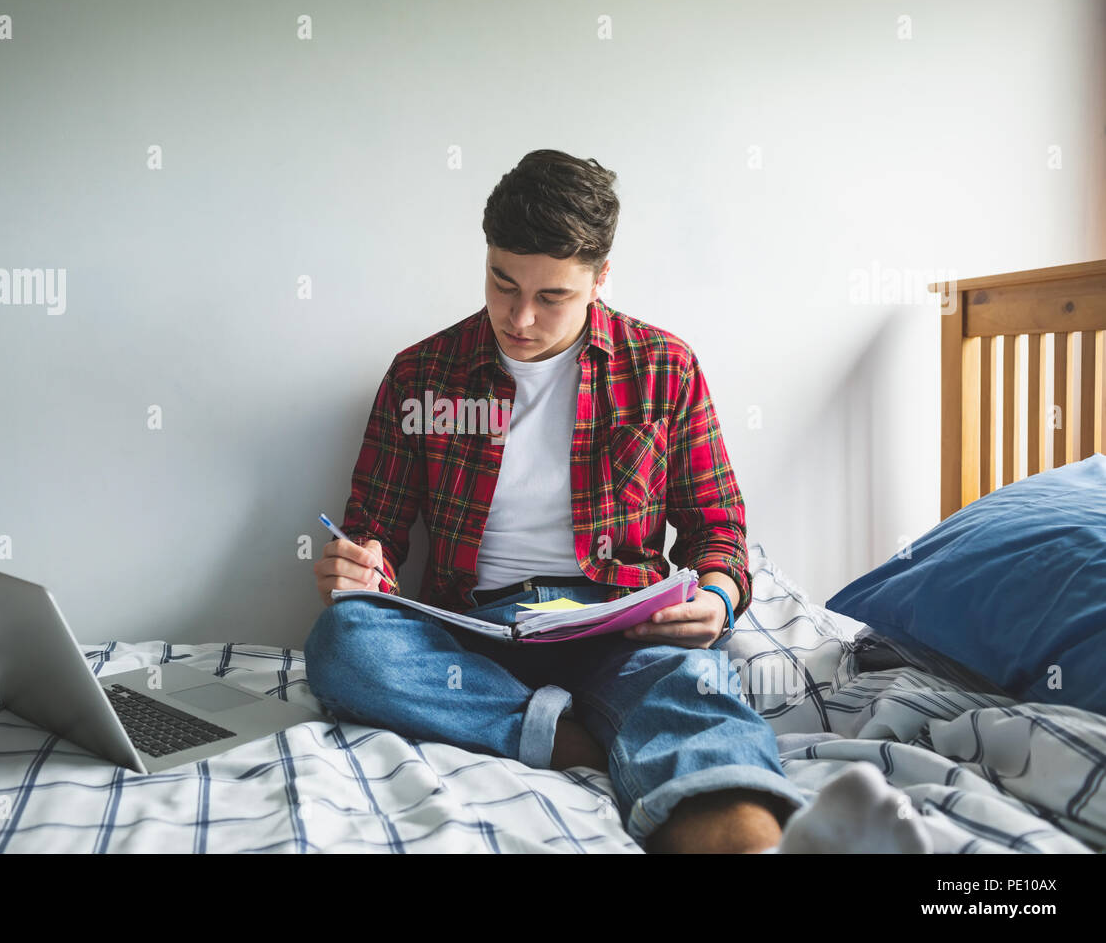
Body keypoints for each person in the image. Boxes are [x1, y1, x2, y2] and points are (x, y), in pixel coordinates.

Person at [304, 148, 808, 853]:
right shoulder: (422, 374)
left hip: (616, 626)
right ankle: (572, 737)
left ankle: (736, 827)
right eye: (502, 283)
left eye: (552, 297)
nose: (521, 318)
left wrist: (719, 596)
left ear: (601, 279)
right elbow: (373, 532)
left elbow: (715, 528)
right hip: (473, 636)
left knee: (693, 685)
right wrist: (358, 570)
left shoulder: (664, 366)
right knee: (344, 645)